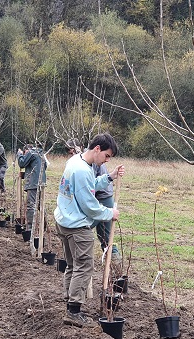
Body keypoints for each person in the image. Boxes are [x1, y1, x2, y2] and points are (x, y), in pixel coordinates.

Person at [54, 133, 125, 328]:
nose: (107, 160)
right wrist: (110, 213)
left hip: (64, 221)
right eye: (107, 156)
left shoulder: (75, 161)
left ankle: (69, 302)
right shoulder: (83, 170)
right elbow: (90, 206)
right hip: (77, 226)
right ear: (97, 149)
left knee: (72, 264)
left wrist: (109, 177)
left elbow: (89, 186)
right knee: (84, 266)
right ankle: (74, 311)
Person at [17, 144, 47, 229]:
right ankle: (44, 225)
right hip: (42, 183)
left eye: (25, 153)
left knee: (31, 205)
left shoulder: (31, 152)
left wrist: (19, 155)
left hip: (33, 183)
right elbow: (41, 168)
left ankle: (30, 228)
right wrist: (24, 175)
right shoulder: (41, 154)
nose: (25, 155)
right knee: (40, 205)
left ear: (26, 150)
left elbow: (22, 163)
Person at [92, 162, 118, 261]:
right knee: (104, 235)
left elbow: (90, 185)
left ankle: (115, 262)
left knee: (84, 229)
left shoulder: (92, 161)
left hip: (102, 198)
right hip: (103, 197)